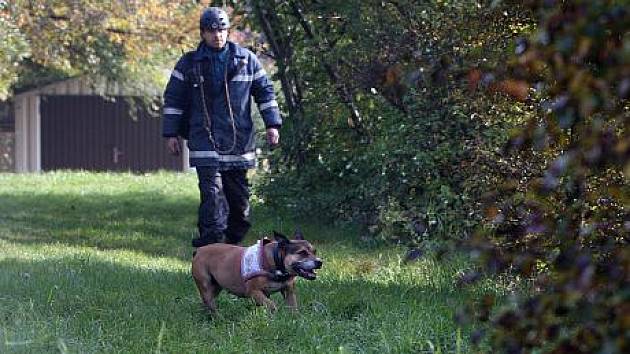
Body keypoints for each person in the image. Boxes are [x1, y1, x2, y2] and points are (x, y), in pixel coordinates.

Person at [162, 7, 281, 248]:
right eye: (212, 31)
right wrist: (171, 134)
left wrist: (272, 124)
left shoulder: (247, 60)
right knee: (212, 197)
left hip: (239, 142)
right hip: (203, 140)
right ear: (203, 33)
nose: (218, 35)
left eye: (222, 30)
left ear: (228, 31)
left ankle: (231, 248)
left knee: (239, 208)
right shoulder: (188, 64)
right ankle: (209, 251)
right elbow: (173, 99)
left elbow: (265, 92)